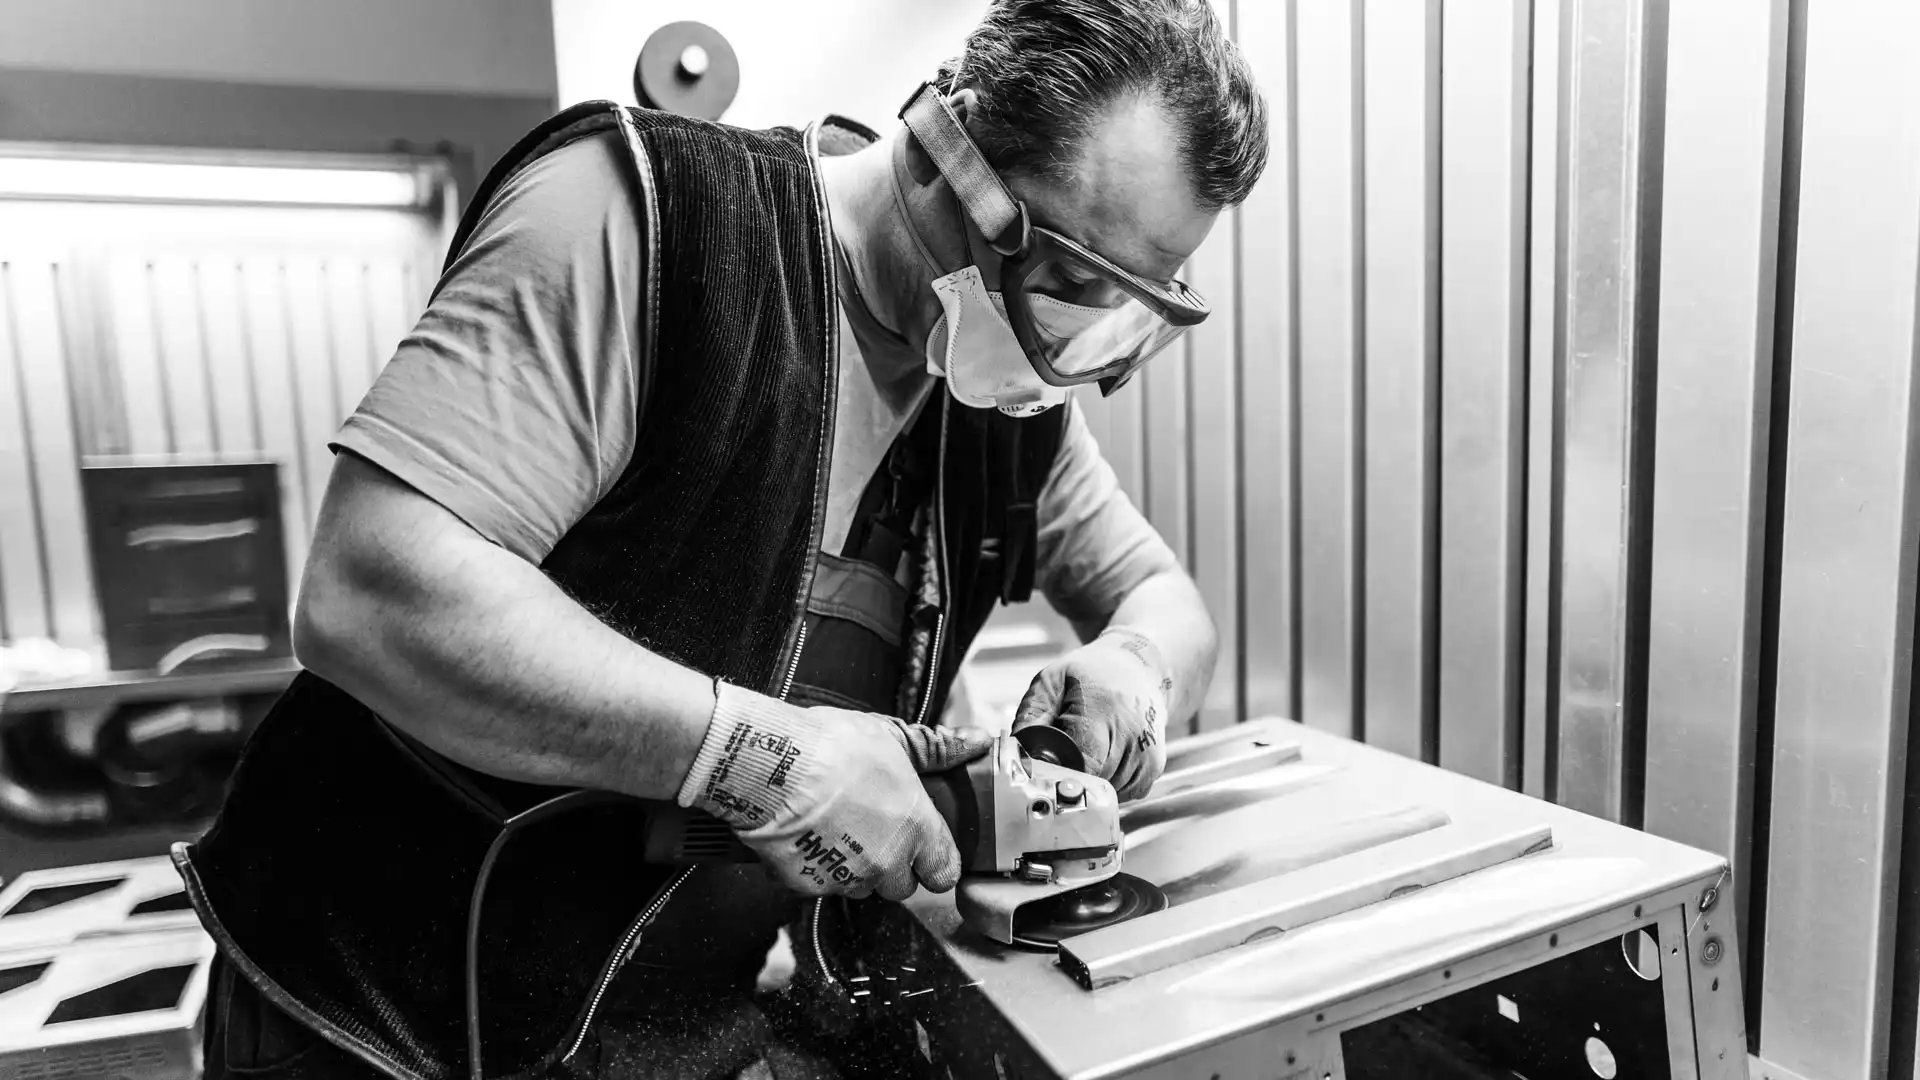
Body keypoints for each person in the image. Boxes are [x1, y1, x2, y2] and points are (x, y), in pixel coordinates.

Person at [182, 1, 1268, 1077]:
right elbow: (370, 593)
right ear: (950, 153)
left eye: (1127, 310)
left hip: (667, 1025)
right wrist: (768, 763)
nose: (1076, 348)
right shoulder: (646, 222)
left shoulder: (1004, 396)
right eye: (1069, 284)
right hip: (388, 1019)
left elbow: (1161, 599)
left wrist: (1136, 672)